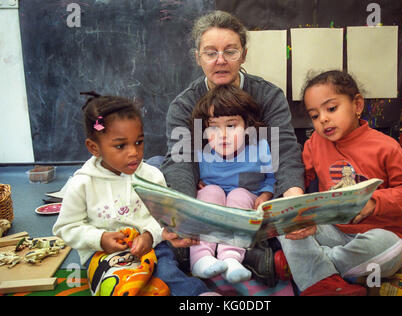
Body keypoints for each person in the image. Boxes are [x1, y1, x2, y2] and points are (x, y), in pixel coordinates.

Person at [160, 10, 304, 283]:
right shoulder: (183, 105)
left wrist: (291, 199)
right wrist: (182, 217)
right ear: (198, 57)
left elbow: (283, 148)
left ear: (244, 54)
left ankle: (243, 246)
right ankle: (212, 250)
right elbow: (180, 159)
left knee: (299, 179)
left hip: (253, 187)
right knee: (159, 167)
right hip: (209, 186)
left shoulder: (268, 95)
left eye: (231, 51)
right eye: (210, 52)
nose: (221, 61)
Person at [53, 92, 215, 296]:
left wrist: (149, 235)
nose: (134, 152)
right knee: (121, 286)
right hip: (104, 255)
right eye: (121, 146)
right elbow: (66, 227)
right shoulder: (82, 184)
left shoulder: (152, 176)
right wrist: (99, 238)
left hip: (153, 248)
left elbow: (163, 219)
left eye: (138, 142)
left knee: (168, 274)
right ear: (94, 147)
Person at [278, 70, 402, 296]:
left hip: (381, 234)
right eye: (315, 116)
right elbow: (298, 179)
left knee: (387, 247)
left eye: (331, 109)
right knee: (284, 222)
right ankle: (326, 279)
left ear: (357, 105)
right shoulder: (315, 143)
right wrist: (295, 212)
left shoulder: (385, 146)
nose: (323, 119)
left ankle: (312, 268)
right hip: (333, 231)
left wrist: (374, 202)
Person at [189, 84, 276, 283]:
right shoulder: (201, 154)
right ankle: (201, 258)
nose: (223, 134)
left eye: (231, 125)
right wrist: (196, 184)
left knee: (239, 194)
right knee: (210, 192)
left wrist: (266, 194)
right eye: (213, 126)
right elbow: (190, 176)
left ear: (247, 125)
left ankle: (231, 258)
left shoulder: (260, 148)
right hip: (214, 206)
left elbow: (271, 178)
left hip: (244, 204)